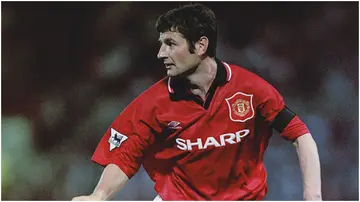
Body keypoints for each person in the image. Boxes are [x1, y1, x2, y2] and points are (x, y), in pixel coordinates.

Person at [72, 3, 322, 201]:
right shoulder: (152, 104)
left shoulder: (251, 89)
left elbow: (300, 134)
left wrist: (313, 196)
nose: (161, 54)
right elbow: (125, 157)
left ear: (201, 45)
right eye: (161, 45)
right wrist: (98, 196)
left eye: (170, 44)